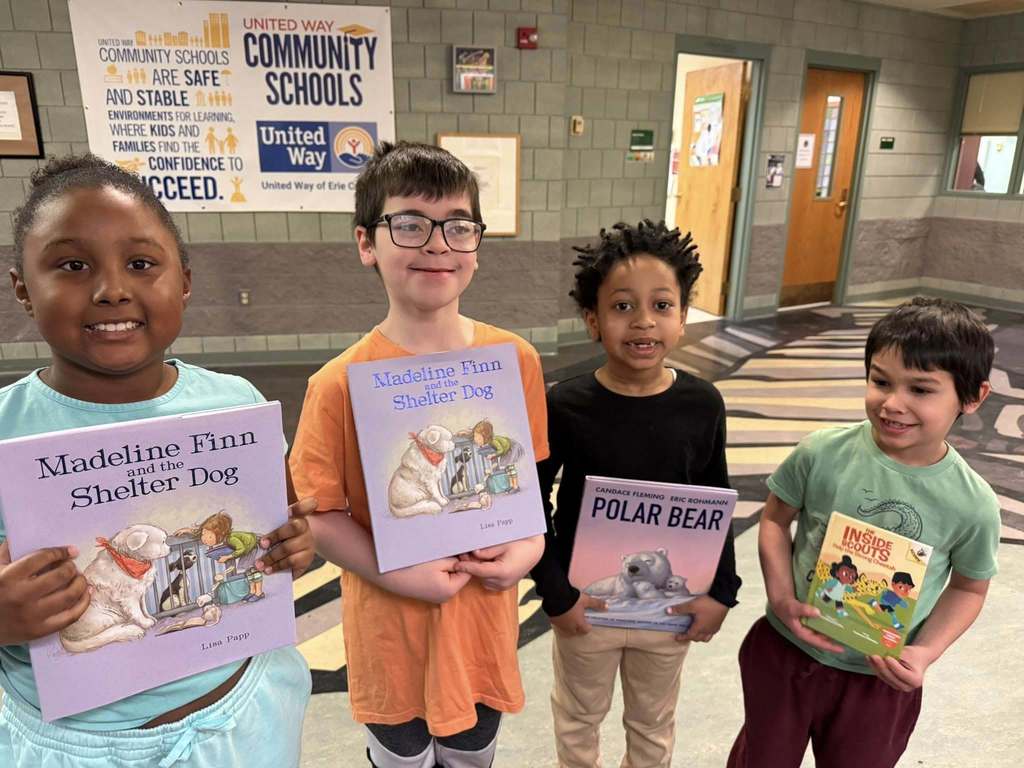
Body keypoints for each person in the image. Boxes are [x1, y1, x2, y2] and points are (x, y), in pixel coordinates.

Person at [0, 154, 317, 767]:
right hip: (75, 743)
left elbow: (283, 526)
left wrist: (293, 547)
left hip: (242, 717)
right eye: (72, 265)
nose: (112, 289)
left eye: (142, 264)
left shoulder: (236, 404)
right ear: (22, 288)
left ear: (185, 282)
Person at [288, 141, 548, 768]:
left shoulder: (514, 361)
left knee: (473, 751)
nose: (437, 245)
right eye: (409, 224)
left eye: (458, 226)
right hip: (390, 632)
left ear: (476, 245)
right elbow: (319, 514)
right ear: (366, 243)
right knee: (400, 755)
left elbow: (525, 480)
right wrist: (394, 571)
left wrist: (530, 547)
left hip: (481, 626)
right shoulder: (336, 384)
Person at [728, 296, 1000, 768]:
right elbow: (773, 519)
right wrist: (781, 597)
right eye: (880, 381)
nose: (893, 403)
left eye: (921, 389)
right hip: (786, 651)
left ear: (973, 397)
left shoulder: (972, 503)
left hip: (879, 679)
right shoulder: (821, 452)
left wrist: (924, 653)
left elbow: (969, 588)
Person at [531, 220, 741, 768]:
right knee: (578, 717)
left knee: (652, 721)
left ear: (683, 316)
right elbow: (532, 501)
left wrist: (722, 591)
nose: (644, 320)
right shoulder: (566, 405)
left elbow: (716, 496)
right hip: (587, 605)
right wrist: (556, 594)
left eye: (662, 305)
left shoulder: (702, 404)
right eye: (622, 306)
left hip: (670, 608)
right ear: (592, 320)